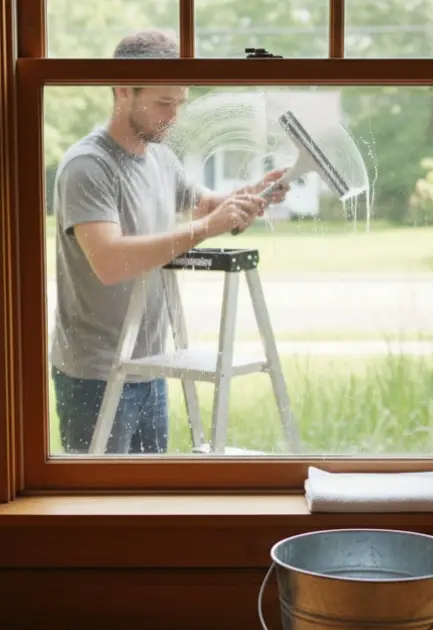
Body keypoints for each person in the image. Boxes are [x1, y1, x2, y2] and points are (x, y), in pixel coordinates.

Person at [49, 29, 290, 455]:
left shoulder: (160, 158)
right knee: (98, 495)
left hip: (150, 365)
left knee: (151, 491)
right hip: (94, 374)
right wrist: (208, 227)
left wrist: (250, 196)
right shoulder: (88, 166)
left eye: (180, 102)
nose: (174, 115)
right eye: (164, 103)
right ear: (123, 90)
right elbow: (109, 261)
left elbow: (203, 205)